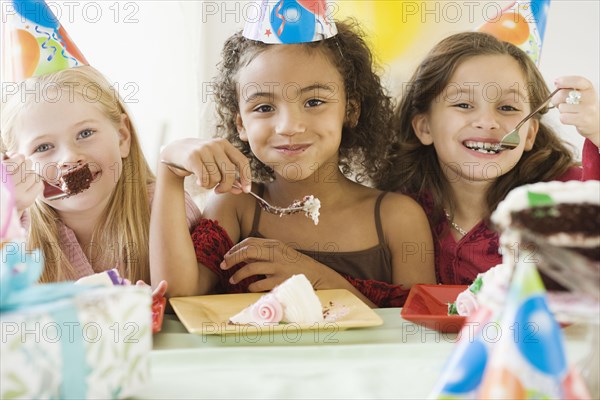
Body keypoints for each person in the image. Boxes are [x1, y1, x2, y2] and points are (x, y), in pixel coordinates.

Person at [151, 19, 436, 307]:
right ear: (241, 124)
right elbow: (178, 294)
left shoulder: (398, 219)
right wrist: (169, 169)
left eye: (313, 102)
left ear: (350, 110)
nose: (289, 126)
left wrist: (317, 278)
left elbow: (415, 333)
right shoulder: (236, 206)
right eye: (264, 107)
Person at [377, 31, 600, 285]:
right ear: (425, 127)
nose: (487, 123)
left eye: (507, 108)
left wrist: (597, 131)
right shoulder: (401, 209)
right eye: (463, 105)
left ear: (529, 135)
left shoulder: (560, 195)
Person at [0, 65, 202, 284]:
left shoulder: (165, 208)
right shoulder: (17, 227)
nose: (69, 158)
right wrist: (7, 213)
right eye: (43, 147)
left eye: (85, 133)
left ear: (123, 137)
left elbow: (185, 296)